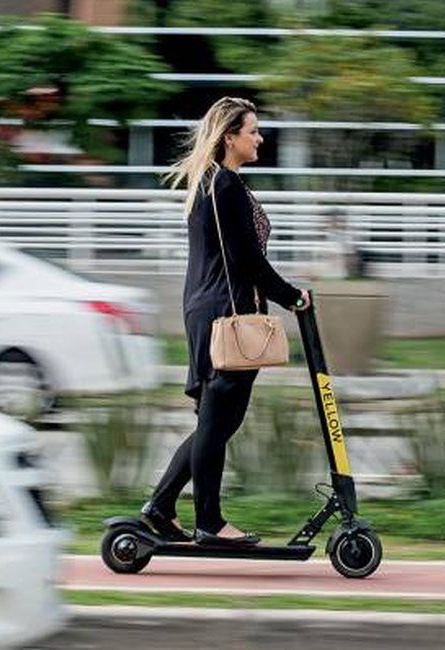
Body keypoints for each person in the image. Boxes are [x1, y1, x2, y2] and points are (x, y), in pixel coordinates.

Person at [140, 97, 311, 547]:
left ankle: (160, 506)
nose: (260, 138)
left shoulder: (212, 184)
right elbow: (247, 261)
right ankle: (210, 523)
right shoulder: (226, 186)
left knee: (213, 423)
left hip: (210, 309)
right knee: (217, 422)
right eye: (253, 130)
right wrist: (293, 296)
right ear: (229, 136)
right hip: (228, 315)